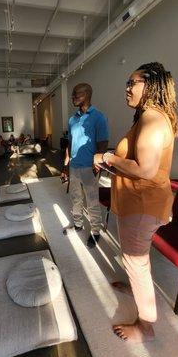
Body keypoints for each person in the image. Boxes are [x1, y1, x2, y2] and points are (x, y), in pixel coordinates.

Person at [94, 62, 178, 343]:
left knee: (136, 262)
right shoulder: (148, 117)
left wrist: (108, 157)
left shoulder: (153, 119)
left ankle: (146, 326)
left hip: (143, 205)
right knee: (135, 259)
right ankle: (134, 289)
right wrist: (111, 163)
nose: (127, 89)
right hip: (137, 202)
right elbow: (135, 164)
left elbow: (144, 170)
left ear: (152, 85)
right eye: (127, 83)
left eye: (133, 83)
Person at [61, 83, 109, 246]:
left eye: (76, 94)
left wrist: (98, 164)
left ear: (87, 94)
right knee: (75, 198)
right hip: (74, 165)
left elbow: (103, 143)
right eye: (72, 94)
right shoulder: (72, 119)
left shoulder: (98, 117)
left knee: (92, 200)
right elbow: (70, 142)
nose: (72, 97)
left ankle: (95, 231)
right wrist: (66, 163)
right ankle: (78, 224)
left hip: (90, 166)